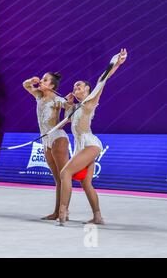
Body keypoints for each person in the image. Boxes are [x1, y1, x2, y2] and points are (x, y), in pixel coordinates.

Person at [58, 48, 128, 225]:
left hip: (90, 144)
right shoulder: (77, 107)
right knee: (86, 183)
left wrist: (116, 63)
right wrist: (69, 104)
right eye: (74, 86)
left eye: (79, 86)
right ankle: (98, 216)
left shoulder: (90, 101)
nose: (76, 88)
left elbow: (101, 80)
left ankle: (63, 212)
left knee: (65, 172)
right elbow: (67, 121)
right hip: (81, 147)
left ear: (88, 90)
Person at [23, 72, 70, 220]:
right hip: (46, 141)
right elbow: (25, 85)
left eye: (45, 80)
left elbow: (69, 108)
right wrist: (32, 80)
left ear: (52, 85)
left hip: (57, 138)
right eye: (42, 79)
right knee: (57, 180)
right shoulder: (38, 95)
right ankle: (57, 211)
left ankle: (64, 211)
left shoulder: (57, 99)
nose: (41, 81)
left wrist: (68, 103)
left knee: (64, 178)